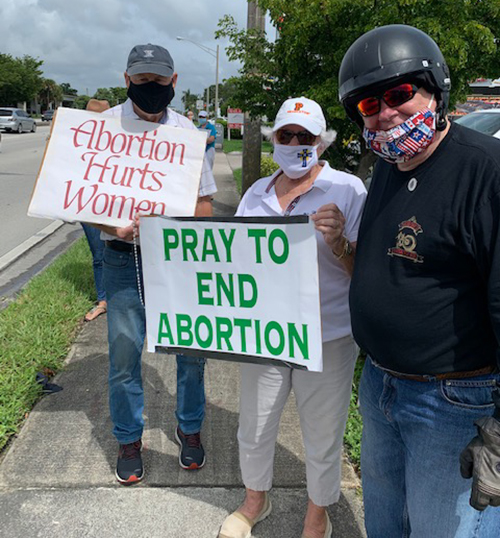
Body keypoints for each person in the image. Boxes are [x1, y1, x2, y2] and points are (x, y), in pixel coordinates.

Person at [339, 24, 500, 537]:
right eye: (368, 104)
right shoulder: (388, 164)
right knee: (386, 523)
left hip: (454, 401)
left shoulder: (486, 171)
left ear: (435, 88)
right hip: (381, 386)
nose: (386, 112)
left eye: (400, 93)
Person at [218, 97, 366, 538]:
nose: (297, 143)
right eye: (287, 135)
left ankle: (317, 516)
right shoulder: (256, 193)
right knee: (256, 425)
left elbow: (368, 273)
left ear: (322, 142)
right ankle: (254, 502)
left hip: (329, 337)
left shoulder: (348, 191)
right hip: (264, 334)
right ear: (274, 140)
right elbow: (232, 262)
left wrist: (340, 243)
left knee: (323, 434)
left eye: (306, 136)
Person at [92, 43, 217, 485]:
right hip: (123, 260)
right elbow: (82, 203)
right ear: (127, 80)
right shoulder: (102, 129)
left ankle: (190, 429)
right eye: (142, 81)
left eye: (159, 81)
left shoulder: (188, 133)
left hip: (178, 261)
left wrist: (173, 228)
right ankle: (129, 438)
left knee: (192, 351)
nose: (150, 89)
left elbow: (204, 204)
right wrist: (115, 225)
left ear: (174, 82)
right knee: (124, 355)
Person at [81, 99, 112, 322]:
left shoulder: (119, 140)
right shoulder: (77, 139)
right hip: (89, 205)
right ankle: (103, 300)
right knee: (98, 254)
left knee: (123, 251)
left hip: (115, 205)